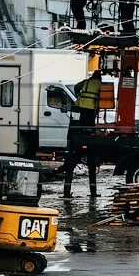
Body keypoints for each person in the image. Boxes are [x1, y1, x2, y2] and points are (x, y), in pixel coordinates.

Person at [62, 70, 103, 198]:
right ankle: (93, 193)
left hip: (80, 107)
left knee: (70, 166)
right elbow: (103, 97)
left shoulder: (86, 82)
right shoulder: (100, 84)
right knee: (89, 126)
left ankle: (66, 193)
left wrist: (79, 95)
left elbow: (76, 87)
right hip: (91, 108)